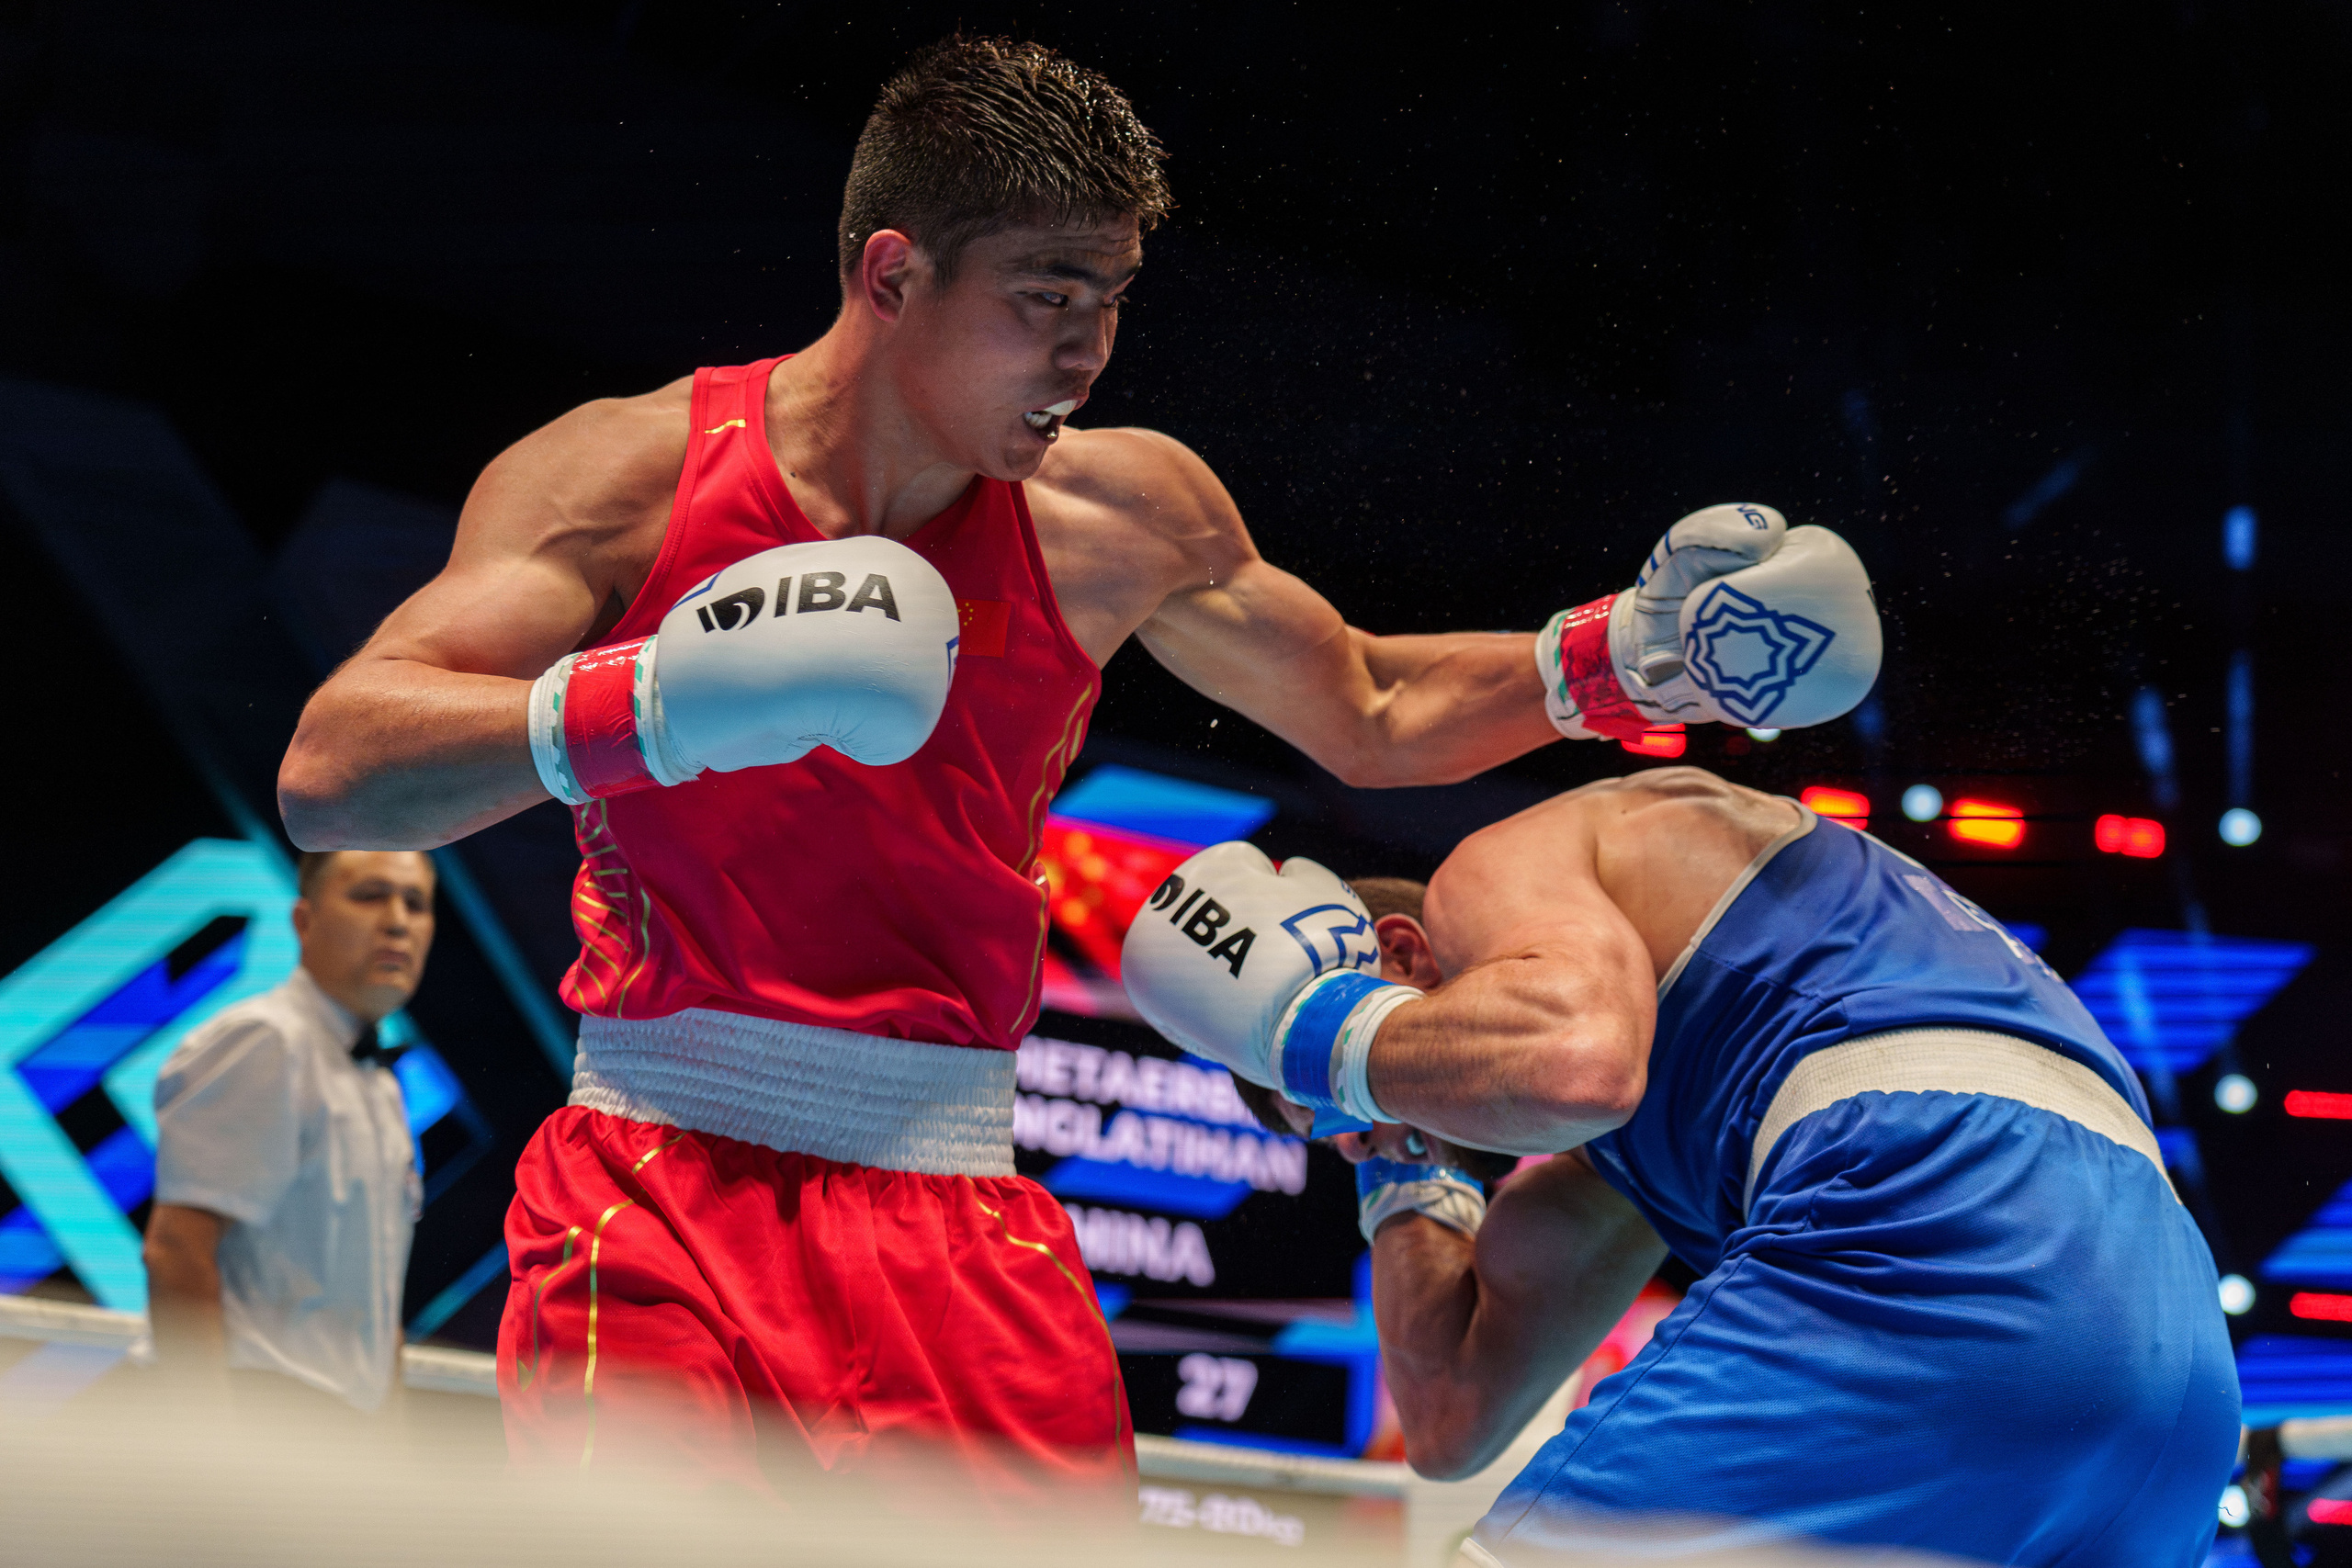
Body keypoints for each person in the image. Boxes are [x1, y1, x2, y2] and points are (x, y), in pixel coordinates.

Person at [273, 35, 1879, 1491]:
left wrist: (1624, 659)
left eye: (1112, 296)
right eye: (1046, 293)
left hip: (960, 1205)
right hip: (659, 1181)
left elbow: (1372, 707)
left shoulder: (1121, 517)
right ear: (893, 273)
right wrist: (660, 700)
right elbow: (337, 769)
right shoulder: (622, 480)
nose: (1089, 348)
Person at [1122, 767, 2238, 1565]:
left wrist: (1324, 1040)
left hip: (1930, 1203)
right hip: (2173, 1348)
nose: (1378, 1130)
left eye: (1361, 1107)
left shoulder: (1507, 867)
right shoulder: (1644, 1149)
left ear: (1403, 957)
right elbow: (1453, 1419)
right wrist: (1401, 1175)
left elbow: (1574, 1064)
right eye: (1346, 1138)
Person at [142, 850, 435, 1420]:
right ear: (305, 921)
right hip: (261, 1411)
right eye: (370, 895)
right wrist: (204, 1443)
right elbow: (177, 1250)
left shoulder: (380, 1085)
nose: (398, 920)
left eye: (416, 903)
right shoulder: (265, 1040)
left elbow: (376, 1307)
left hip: (340, 1432)